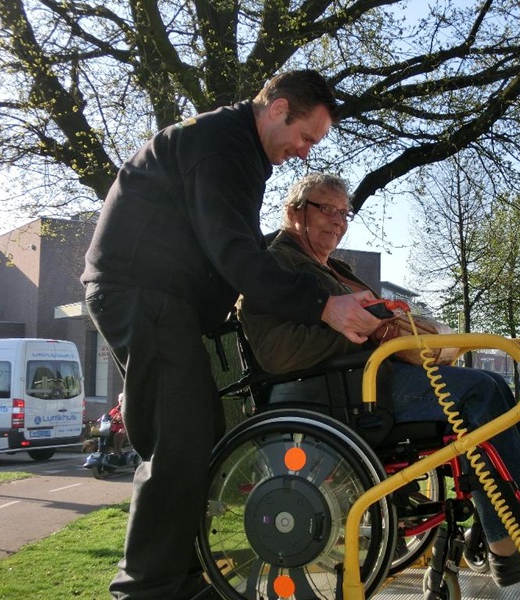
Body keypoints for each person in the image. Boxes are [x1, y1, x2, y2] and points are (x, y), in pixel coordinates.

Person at [81, 70, 385, 600]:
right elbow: (236, 254)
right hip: (142, 293)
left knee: (196, 431)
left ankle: (176, 577)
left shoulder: (235, 148)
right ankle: (147, 587)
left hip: (162, 299)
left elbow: (224, 254)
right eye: (306, 137)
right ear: (277, 108)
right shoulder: (222, 148)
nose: (305, 151)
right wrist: (322, 305)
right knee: (178, 436)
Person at [238, 172, 520, 587]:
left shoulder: (332, 268)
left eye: (345, 213)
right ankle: (513, 544)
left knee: (495, 388)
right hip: (344, 392)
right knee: (480, 393)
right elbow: (276, 352)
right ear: (293, 211)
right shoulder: (274, 263)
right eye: (327, 209)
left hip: (371, 379)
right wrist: (366, 335)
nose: (339, 221)